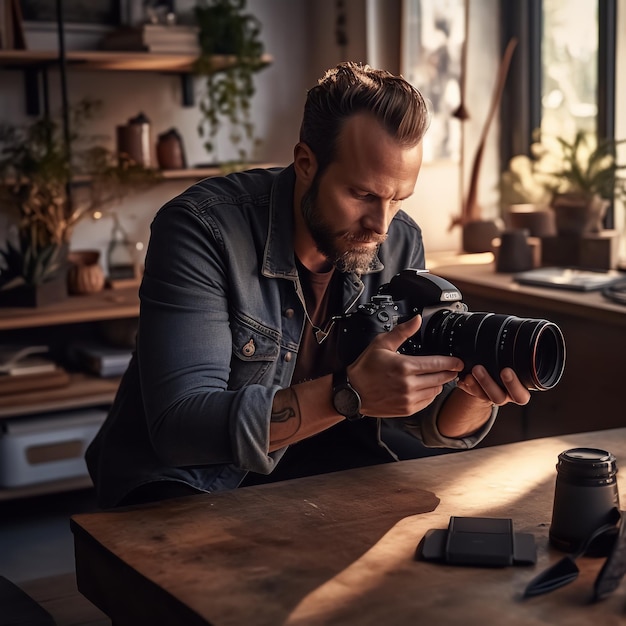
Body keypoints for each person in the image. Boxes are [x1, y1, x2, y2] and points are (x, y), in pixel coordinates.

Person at [86, 62, 530, 508]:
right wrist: (349, 394)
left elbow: (428, 424)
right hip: (195, 480)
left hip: (330, 464)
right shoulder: (202, 230)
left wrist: (475, 394)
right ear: (305, 164)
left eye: (398, 199)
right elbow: (181, 429)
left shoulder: (400, 240)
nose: (381, 225)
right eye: (362, 195)